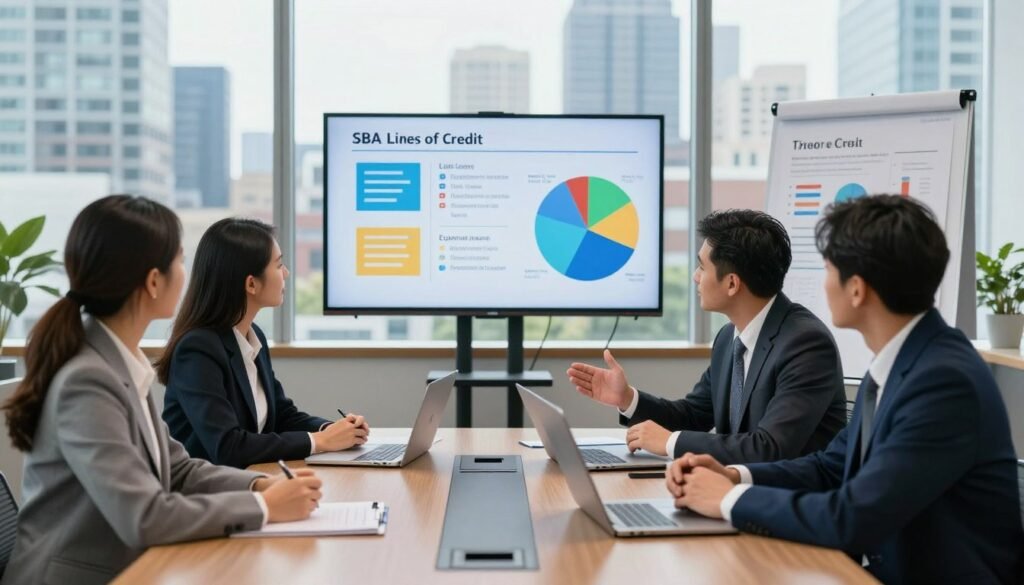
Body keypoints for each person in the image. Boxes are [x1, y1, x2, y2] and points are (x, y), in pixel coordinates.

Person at [667, 195, 1024, 584]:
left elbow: (853, 517)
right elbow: (829, 466)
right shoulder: (900, 362)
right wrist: (734, 475)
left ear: (857, 289)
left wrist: (726, 500)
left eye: (828, 269)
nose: (822, 284)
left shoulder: (943, 382)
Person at [1, 196, 322, 585]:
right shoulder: (86, 380)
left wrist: (259, 484)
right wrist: (262, 506)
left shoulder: (119, 361)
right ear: (154, 281)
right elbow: (144, 517)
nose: (187, 275)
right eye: (180, 261)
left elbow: (180, 469)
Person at [568, 209, 846, 463]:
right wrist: (627, 398)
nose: (695, 277)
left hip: (789, 504)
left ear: (732, 283)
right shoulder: (729, 338)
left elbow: (769, 448)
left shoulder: (806, 344)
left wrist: (670, 442)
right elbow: (693, 415)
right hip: (732, 490)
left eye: (702, 267)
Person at [159, 218, 369, 468]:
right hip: (204, 496)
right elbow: (228, 447)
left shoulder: (250, 335)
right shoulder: (197, 350)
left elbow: (281, 414)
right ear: (251, 283)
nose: (286, 273)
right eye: (279, 265)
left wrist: (334, 429)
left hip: (249, 481)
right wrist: (320, 441)